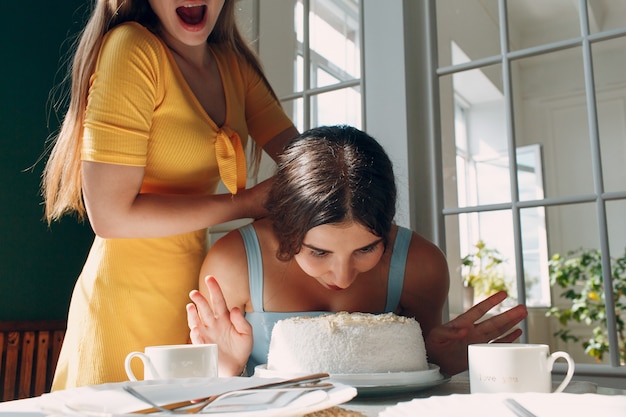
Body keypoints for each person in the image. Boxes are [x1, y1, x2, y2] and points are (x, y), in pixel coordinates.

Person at [42, 0, 298, 389]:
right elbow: (110, 216)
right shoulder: (132, 49)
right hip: (121, 304)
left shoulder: (233, 66)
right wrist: (246, 204)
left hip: (198, 299)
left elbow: (306, 163)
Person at [186, 125, 528, 377]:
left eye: (366, 249)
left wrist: (439, 364)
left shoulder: (419, 265)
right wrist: (225, 367)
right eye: (319, 252)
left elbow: (418, 381)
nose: (343, 276)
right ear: (286, 224)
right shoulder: (234, 264)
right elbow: (203, 399)